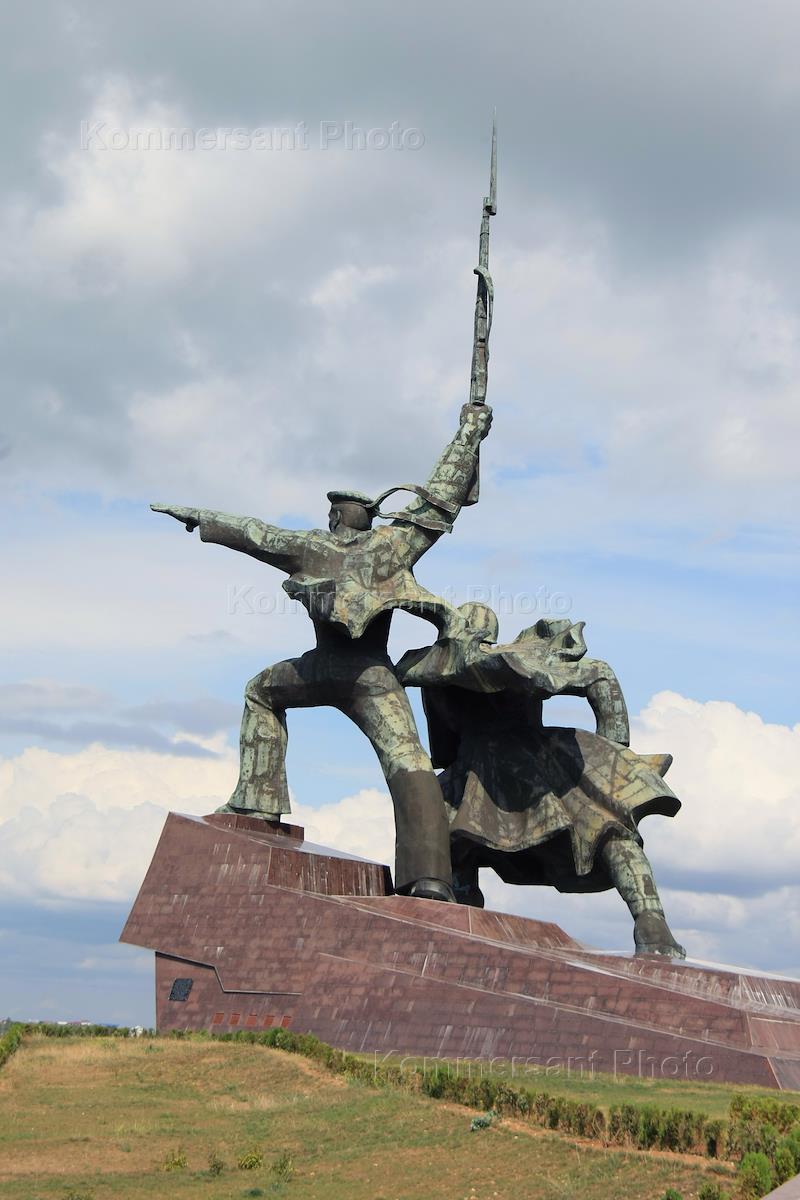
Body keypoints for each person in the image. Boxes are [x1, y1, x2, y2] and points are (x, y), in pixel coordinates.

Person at [151, 403, 492, 902]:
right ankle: (430, 878)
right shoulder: (392, 546)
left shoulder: (312, 547)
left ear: (335, 516)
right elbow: (441, 500)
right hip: (372, 676)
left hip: (321, 668)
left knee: (261, 691)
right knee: (409, 761)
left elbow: (254, 533)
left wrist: (200, 517)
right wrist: (469, 435)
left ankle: (258, 801)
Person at [397, 602, 686, 955]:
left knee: (449, 834)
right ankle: (650, 918)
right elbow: (599, 675)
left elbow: (444, 746)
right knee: (606, 826)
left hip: (483, 767)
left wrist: (613, 750)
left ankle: (458, 922)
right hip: (538, 760)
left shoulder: (434, 669)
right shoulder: (512, 658)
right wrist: (613, 747)